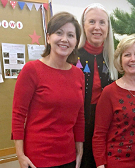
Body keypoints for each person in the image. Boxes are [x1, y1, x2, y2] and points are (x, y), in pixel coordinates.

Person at [11, 12, 84, 168]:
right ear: (49, 37)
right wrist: (20, 155)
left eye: (71, 35)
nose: (64, 39)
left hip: (69, 156)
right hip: (38, 158)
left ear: (76, 41)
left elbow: (79, 116)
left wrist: (80, 151)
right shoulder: (32, 70)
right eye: (59, 33)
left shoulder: (78, 75)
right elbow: (18, 114)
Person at [92, 34, 135, 168]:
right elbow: (99, 135)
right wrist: (100, 165)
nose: (133, 59)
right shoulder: (109, 92)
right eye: (127, 55)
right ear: (120, 60)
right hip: (118, 163)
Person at [76, 3, 118, 168]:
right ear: (83, 26)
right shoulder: (73, 57)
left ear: (108, 27)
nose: (97, 27)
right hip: (78, 124)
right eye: (92, 22)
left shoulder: (114, 59)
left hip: (106, 126)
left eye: (102, 22)